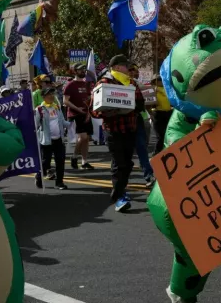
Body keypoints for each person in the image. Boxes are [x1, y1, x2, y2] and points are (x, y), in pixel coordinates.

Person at [93, 54, 145, 212]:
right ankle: (120, 197)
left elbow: (141, 105)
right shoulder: (104, 83)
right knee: (119, 163)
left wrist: (129, 106)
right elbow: (93, 110)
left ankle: (118, 191)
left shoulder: (132, 83)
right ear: (115, 67)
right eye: (124, 66)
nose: (128, 69)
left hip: (130, 129)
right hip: (113, 130)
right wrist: (110, 112)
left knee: (128, 164)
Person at [33, 84, 69, 190]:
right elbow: (35, 125)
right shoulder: (39, 109)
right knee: (45, 162)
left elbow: (62, 121)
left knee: (60, 161)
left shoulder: (56, 107)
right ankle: (39, 177)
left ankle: (59, 182)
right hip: (46, 141)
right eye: (49, 94)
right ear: (43, 97)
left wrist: (71, 124)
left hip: (59, 139)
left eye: (52, 94)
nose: (52, 96)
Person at [127, 63, 155, 184]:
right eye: (131, 70)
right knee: (124, 151)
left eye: (135, 70)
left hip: (139, 119)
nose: (134, 72)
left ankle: (148, 174)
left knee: (142, 147)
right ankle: (122, 178)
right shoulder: (115, 83)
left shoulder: (139, 84)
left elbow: (148, 100)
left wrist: (151, 114)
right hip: (124, 121)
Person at [63, 63, 94, 170]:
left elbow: (90, 99)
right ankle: (74, 157)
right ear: (75, 71)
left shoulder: (86, 84)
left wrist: (89, 111)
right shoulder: (70, 85)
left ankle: (84, 162)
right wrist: (77, 109)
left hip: (86, 114)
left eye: (84, 69)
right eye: (80, 70)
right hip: (75, 114)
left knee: (86, 139)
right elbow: (65, 101)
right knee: (83, 137)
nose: (83, 71)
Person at [151, 74, 173, 156]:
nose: (160, 81)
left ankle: (165, 152)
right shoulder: (152, 89)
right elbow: (149, 103)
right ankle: (156, 153)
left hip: (168, 113)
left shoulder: (167, 89)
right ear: (154, 81)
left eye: (161, 79)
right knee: (160, 136)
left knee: (167, 134)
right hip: (158, 114)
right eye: (158, 80)